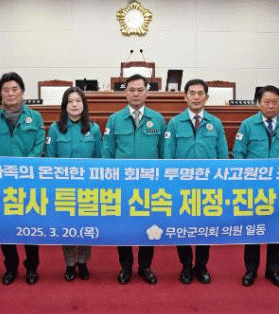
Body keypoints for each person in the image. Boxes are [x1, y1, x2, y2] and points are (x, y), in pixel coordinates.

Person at [232, 85, 279, 288]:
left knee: (276, 231)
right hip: (254, 189)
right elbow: (238, 155)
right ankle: (250, 270)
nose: (271, 106)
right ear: (259, 103)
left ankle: (273, 270)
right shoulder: (247, 125)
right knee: (253, 230)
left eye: (275, 102)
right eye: (266, 102)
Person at [102, 74, 166, 285]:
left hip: (150, 186)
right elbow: (107, 153)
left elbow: (163, 153)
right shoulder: (115, 119)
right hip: (122, 185)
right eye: (131, 90)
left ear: (147, 92)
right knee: (123, 227)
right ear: (125, 93)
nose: (136, 94)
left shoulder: (157, 119)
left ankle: (145, 266)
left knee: (150, 226)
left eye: (140, 90)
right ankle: (126, 266)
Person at [0, 72, 45, 285]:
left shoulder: (35, 117)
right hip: (2, 183)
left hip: (28, 182)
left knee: (30, 227)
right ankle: (10, 267)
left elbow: (39, 146)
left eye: (14, 89)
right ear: (0, 93)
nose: (10, 94)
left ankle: (32, 267)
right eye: (6, 90)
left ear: (22, 92)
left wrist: (24, 169)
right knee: (6, 227)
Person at [164, 79, 228, 284]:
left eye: (200, 93)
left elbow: (222, 156)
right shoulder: (175, 123)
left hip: (208, 187)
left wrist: (220, 182)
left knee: (204, 228)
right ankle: (185, 265)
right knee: (182, 227)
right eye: (192, 93)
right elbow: (168, 157)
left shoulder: (215, 123)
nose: (196, 97)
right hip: (181, 187)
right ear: (185, 96)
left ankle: (201, 265)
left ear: (206, 97)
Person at [45, 87, 102, 281]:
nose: (75, 105)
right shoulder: (55, 128)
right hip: (64, 189)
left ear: (84, 105)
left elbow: (99, 158)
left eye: (78, 101)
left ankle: (83, 262)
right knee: (67, 227)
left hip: (88, 189)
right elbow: (50, 159)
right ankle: (70, 263)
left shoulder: (93, 128)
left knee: (85, 226)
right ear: (65, 105)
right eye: (70, 101)